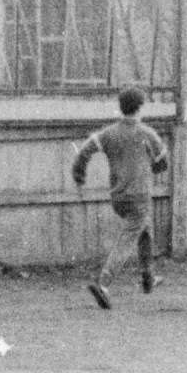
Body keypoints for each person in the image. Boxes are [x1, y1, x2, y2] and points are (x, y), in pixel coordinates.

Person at [66, 88, 169, 309]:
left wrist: (79, 174)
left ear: (121, 107)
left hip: (118, 197)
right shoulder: (147, 133)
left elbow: (84, 151)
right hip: (139, 195)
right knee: (130, 237)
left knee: (144, 230)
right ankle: (103, 283)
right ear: (140, 108)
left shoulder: (108, 133)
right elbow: (163, 163)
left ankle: (147, 278)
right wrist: (150, 165)